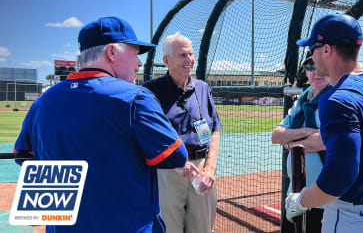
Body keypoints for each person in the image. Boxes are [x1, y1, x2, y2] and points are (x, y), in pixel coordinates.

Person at [13, 17, 189, 233]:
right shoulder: (135, 98)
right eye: (135, 54)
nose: (139, 63)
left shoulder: (43, 101)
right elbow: (176, 155)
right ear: (112, 52)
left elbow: (25, 156)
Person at [285, 14, 363, 232]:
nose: (311, 56)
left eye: (313, 48)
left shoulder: (337, 99)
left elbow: (340, 178)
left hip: (355, 219)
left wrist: (300, 200)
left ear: (326, 49)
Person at [143, 33, 222, 233]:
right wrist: (176, 160)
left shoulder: (202, 88)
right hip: (167, 172)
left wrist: (209, 169)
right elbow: (146, 136)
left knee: (202, 228)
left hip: (202, 170)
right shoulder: (150, 91)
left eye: (191, 54)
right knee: (169, 229)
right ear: (166, 60)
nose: (189, 60)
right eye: (182, 55)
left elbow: (214, 130)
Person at [272, 52, 331, 232]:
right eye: (310, 67)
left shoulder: (336, 97)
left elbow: (327, 140)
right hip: (295, 197)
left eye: (321, 66)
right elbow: (276, 135)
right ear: (306, 71)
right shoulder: (303, 100)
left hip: (325, 201)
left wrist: (291, 143)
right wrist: (306, 132)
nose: (316, 72)